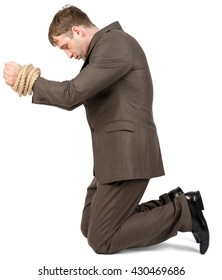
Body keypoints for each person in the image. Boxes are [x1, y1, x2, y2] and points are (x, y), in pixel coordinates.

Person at [3, 5, 209, 254]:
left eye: (65, 46)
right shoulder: (105, 49)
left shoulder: (114, 45)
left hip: (128, 156)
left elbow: (72, 95)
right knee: (89, 226)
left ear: (77, 31)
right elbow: (76, 96)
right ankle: (168, 203)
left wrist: (32, 81)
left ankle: (185, 211)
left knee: (101, 240)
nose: (68, 55)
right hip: (111, 158)